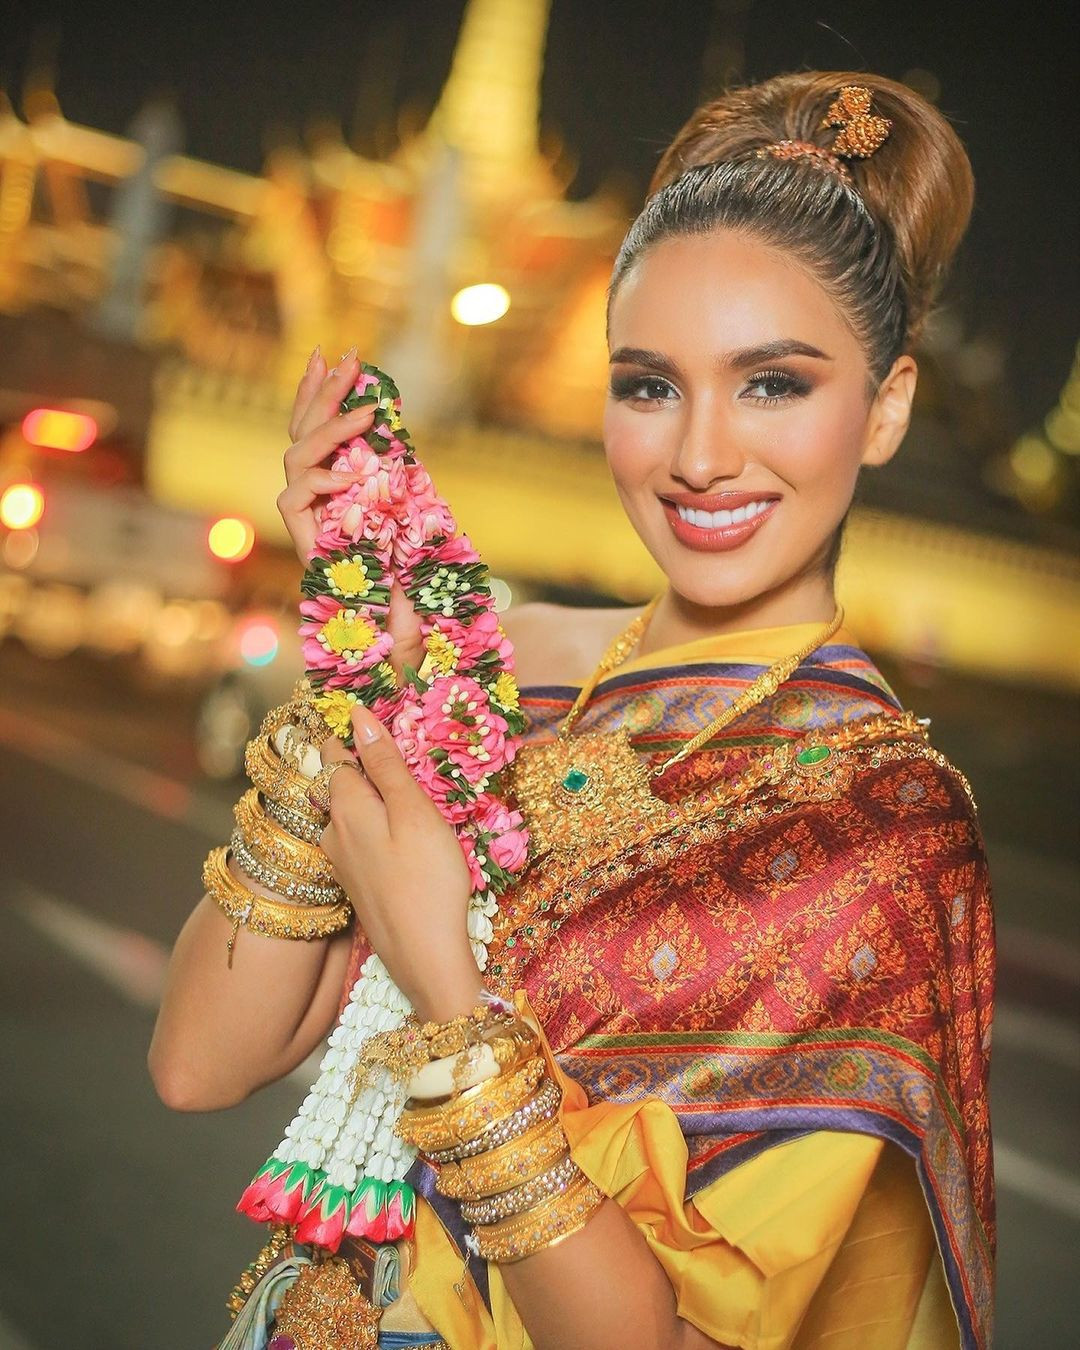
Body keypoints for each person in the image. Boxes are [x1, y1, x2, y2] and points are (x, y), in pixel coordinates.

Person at [150, 70, 994, 1350]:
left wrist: (442, 978)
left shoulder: (883, 821)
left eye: (774, 385)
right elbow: (197, 1066)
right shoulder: (513, 668)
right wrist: (363, 684)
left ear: (885, 409)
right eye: (650, 384)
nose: (699, 454)